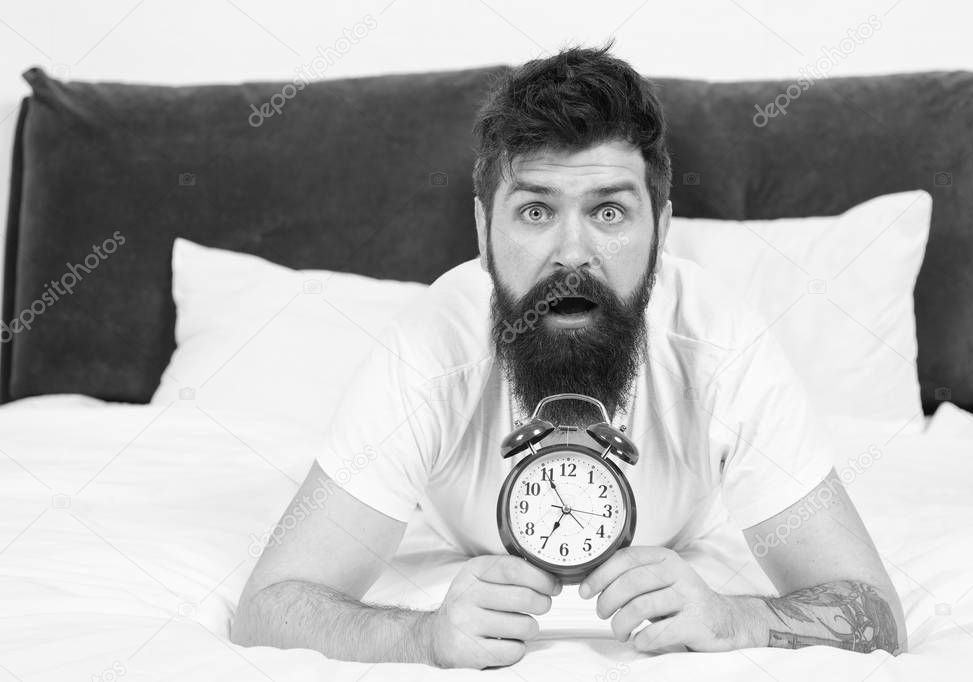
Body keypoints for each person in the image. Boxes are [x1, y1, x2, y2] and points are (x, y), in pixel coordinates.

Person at [230, 42, 906, 669]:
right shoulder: (429, 350)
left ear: (661, 231)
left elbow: (874, 614)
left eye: (609, 212)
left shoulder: (721, 345)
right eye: (535, 211)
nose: (573, 254)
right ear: (482, 231)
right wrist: (422, 636)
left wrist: (736, 621)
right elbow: (269, 606)